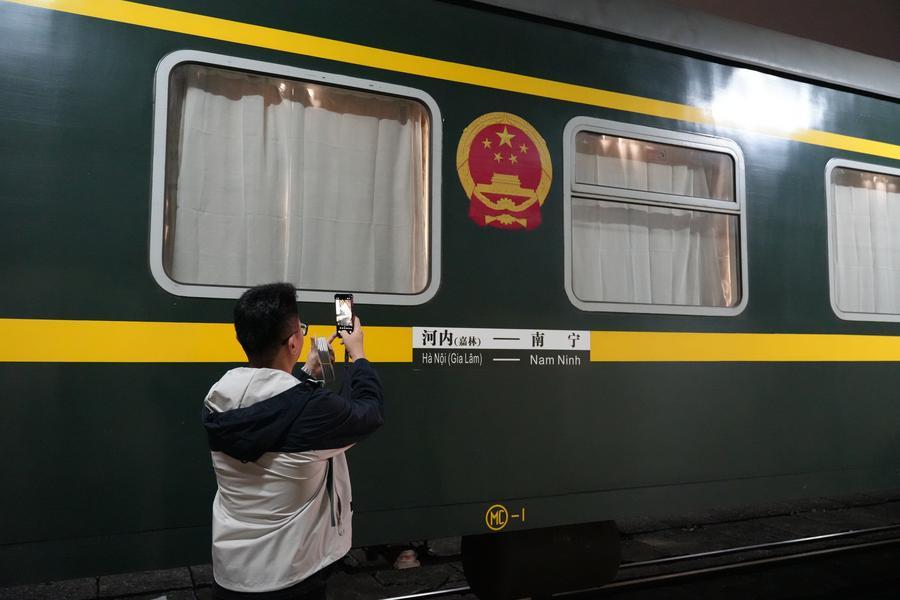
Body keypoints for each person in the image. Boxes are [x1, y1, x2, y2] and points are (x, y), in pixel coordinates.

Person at [201, 282, 384, 599]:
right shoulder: (311, 411)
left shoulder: (218, 399)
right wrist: (358, 355)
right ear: (294, 342)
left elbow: (271, 410)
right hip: (291, 577)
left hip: (231, 573)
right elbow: (369, 412)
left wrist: (306, 374)